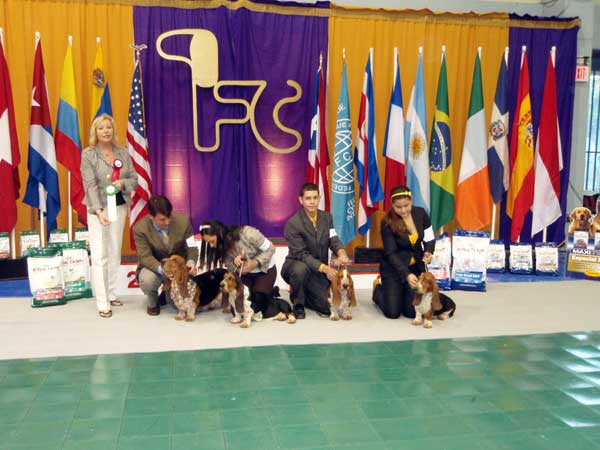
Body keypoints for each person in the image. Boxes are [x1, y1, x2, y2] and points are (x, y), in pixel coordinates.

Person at [81, 114, 138, 318]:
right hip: (98, 208)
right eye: (101, 128)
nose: (105, 131)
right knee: (99, 255)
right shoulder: (88, 154)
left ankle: (111, 292)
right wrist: (98, 211)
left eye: (108, 127)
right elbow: (89, 185)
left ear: (113, 130)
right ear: (95, 132)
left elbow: (134, 178)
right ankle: (102, 302)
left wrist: (122, 184)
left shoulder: (122, 152)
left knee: (114, 252)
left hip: (119, 207)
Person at [281, 182, 350, 319]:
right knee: (300, 269)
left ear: (319, 198)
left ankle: (305, 293)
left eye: (315, 197)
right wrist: (324, 268)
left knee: (327, 306)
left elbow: (333, 238)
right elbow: (302, 254)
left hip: (318, 270)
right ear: (301, 200)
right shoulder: (293, 223)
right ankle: (298, 302)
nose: (312, 202)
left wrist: (341, 251)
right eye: (308, 198)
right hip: (297, 266)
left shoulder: (327, 217)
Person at [200, 220, 291, 319]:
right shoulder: (222, 247)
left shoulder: (249, 233)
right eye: (208, 243)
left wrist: (255, 262)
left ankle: (273, 298)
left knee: (258, 305)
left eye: (212, 241)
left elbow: (271, 248)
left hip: (265, 271)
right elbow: (230, 266)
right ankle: (269, 293)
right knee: (239, 309)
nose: (211, 246)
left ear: (220, 234)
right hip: (246, 274)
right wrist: (236, 265)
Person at [374, 185, 435, 319]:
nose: (403, 210)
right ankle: (378, 289)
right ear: (392, 205)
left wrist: (428, 252)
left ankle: (401, 294)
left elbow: (429, 238)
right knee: (393, 313)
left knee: (411, 312)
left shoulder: (421, 213)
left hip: (415, 267)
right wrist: (406, 274)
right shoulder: (387, 222)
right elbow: (390, 253)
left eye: (406, 206)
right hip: (393, 268)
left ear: (411, 201)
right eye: (398, 207)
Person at [133, 195, 198, 316]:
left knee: (175, 306)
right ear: (151, 216)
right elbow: (145, 256)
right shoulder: (140, 228)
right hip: (155, 266)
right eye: (162, 219)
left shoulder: (184, 222)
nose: (167, 222)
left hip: (178, 267)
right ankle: (153, 302)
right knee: (147, 280)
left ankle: (166, 293)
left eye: (169, 217)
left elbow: (192, 247)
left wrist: (191, 262)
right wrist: (164, 270)